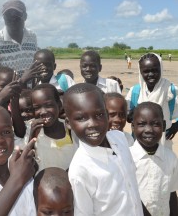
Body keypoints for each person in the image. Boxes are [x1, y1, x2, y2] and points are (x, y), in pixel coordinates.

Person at [63, 83, 143, 215]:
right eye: (81, 118)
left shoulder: (120, 138)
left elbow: (132, 190)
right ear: (68, 123)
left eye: (99, 115)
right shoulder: (80, 171)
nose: (92, 124)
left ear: (107, 114)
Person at [130, 102, 178, 216]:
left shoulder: (170, 158)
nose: (148, 130)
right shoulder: (127, 158)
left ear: (164, 126)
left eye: (155, 124)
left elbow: (171, 193)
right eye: (142, 124)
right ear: (132, 126)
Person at [126, 53, 178, 145]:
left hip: (163, 141)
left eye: (155, 70)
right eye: (146, 71)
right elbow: (127, 115)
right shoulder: (135, 91)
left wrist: (176, 125)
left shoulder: (171, 90)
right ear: (140, 72)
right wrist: (130, 115)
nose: (151, 74)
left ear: (161, 69)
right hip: (139, 141)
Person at [24, 83, 78, 172]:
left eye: (48, 105)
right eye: (37, 108)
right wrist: (32, 136)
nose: (43, 112)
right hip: (43, 184)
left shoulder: (70, 127)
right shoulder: (30, 129)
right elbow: (26, 162)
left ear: (59, 105)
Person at [0, 0, 38, 77]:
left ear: (25, 16)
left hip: (29, 88)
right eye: (8, 16)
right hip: (6, 88)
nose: (12, 19)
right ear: (3, 18)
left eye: (16, 15)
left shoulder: (32, 36)